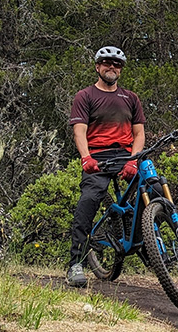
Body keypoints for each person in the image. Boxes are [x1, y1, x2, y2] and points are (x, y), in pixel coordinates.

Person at [67, 46, 146, 287]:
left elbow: (139, 133)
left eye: (117, 64)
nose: (112, 67)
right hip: (98, 157)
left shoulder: (130, 98)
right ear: (98, 66)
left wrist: (133, 159)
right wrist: (86, 158)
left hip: (125, 155)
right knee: (89, 200)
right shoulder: (86, 96)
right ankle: (75, 264)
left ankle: (148, 244)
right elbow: (79, 130)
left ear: (121, 69)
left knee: (150, 187)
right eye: (107, 63)